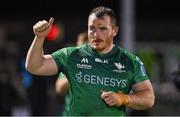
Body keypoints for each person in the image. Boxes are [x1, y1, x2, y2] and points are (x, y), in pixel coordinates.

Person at [25, 6, 155, 116]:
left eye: (102, 29)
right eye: (92, 28)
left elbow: (149, 98)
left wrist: (123, 98)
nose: (96, 34)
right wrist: (39, 38)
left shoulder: (129, 61)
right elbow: (34, 67)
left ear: (114, 31)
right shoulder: (71, 55)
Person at [55, 31, 88, 116]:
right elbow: (59, 89)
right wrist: (77, 73)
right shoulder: (71, 64)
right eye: (81, 44)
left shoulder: (102, 66)